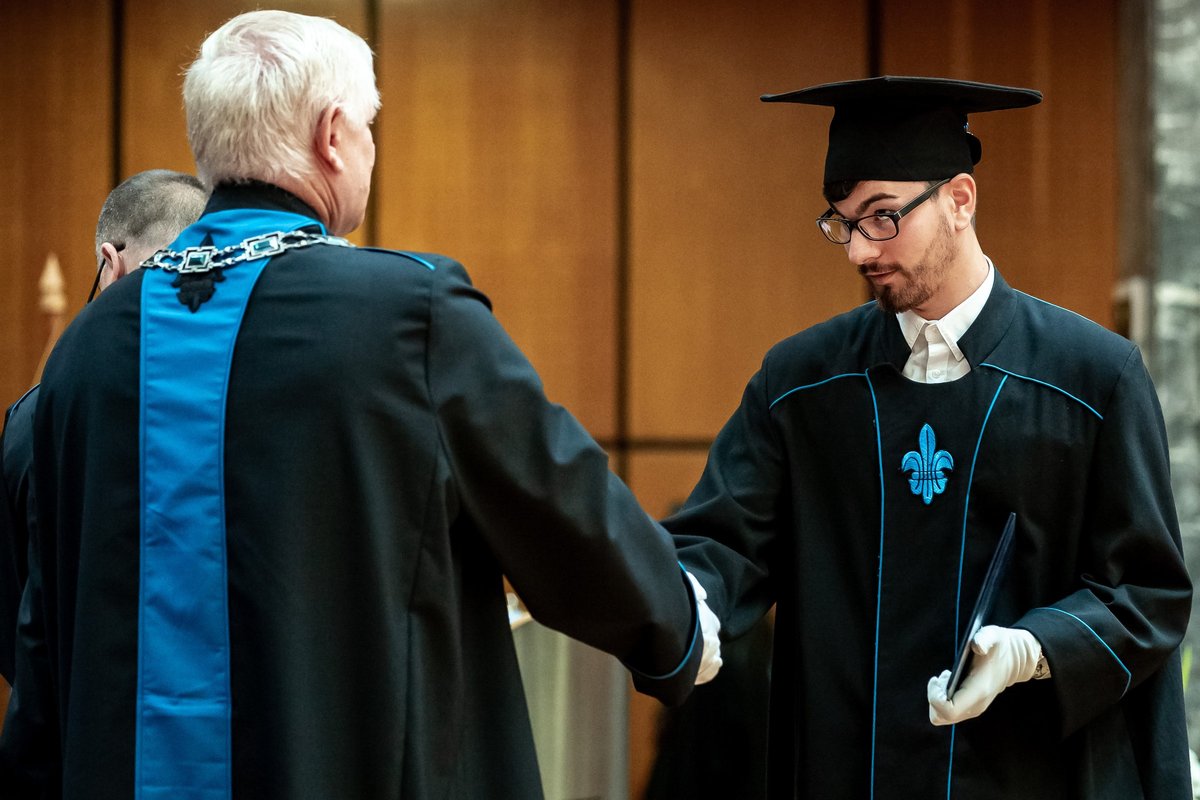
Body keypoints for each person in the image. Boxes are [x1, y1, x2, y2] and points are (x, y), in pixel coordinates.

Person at [0, 10, 720, 800]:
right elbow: (558, 506)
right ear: (334, 135)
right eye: (371, 128)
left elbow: (42, 637)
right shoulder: (410, 314)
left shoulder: (87, 348)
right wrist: (677, 625)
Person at [667, 76, 1192, 799]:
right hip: (848, 773)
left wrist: (1035, 647)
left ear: (960, 200)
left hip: (1027, 774)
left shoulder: (1091, 380)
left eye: (883, 216)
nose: (859, 250)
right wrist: (676, 603)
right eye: (842, 223)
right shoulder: (801, 386)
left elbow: (1147, 592)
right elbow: (723, 542)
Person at [0, 169, 208, 699]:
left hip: (78, 716)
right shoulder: (248, 400)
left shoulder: (37, 418)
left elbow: (13, 622)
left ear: (109, 264)